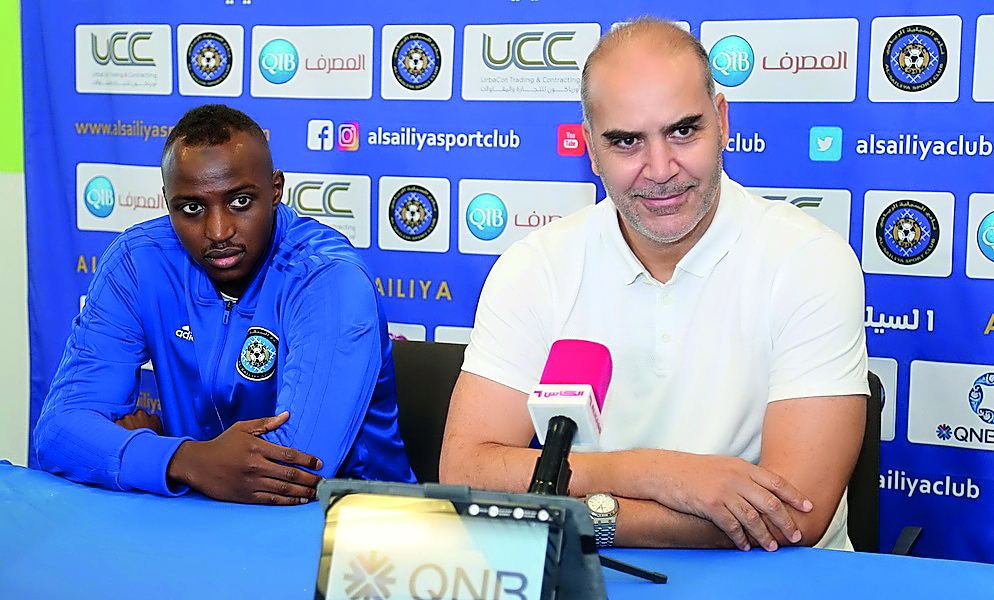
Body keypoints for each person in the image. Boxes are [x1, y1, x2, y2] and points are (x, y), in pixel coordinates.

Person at [439, 18, 868, 551]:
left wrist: (587, 516)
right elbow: (464, 470)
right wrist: (663, 474)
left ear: (722, 120)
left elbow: (794, 516)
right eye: (625, 142)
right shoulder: (536, 267)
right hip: (590, 579)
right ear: (591, 152)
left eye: (683, 131)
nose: (660, 169)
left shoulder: (809, 261)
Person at [34, 104, 415, 503]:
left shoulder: (328, 277)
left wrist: (142, 453)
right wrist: (182, 458)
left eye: (240, 202)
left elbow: (298, 470)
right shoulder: (139, 261)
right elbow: (59, 431)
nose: (219, 231)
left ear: (276, 190)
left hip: (353, 533)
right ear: (168, 203)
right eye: (192, 208)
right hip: (199, 523)